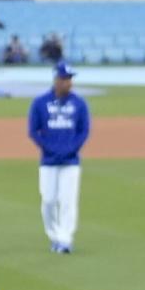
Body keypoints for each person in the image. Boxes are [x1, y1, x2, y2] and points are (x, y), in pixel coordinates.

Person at [27, 61, 90, 254]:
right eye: (65, 79)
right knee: (48, 200)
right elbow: (33, 131)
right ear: (56, 79)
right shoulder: (40, 103)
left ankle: (65, 238)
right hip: (48, 161)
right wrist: (49, 148)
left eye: (70, 79)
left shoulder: (79, 104)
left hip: (71, 161)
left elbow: (83, 130)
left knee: (68, 200)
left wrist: (72, 148)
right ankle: (54, 235)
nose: (68, 83)